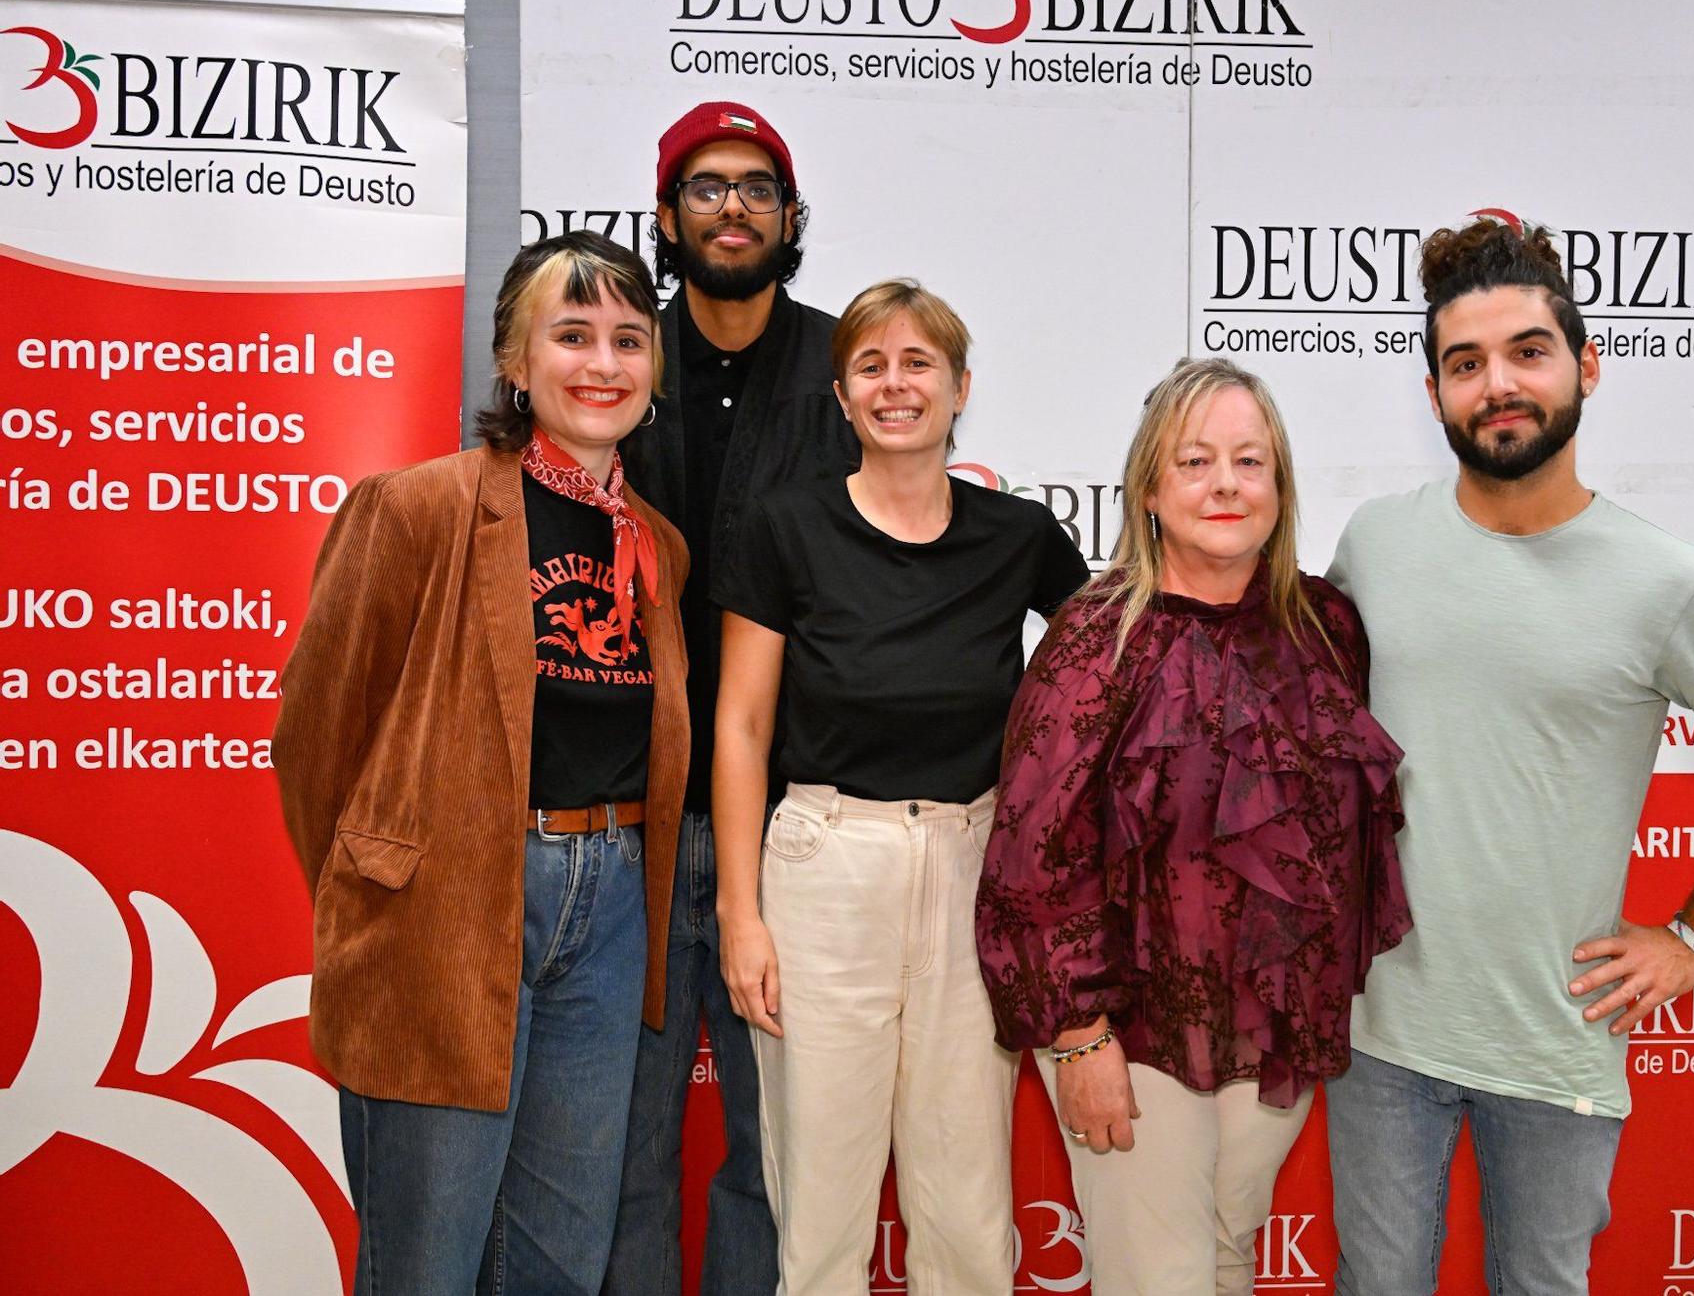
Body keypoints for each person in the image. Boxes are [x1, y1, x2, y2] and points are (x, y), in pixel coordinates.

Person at [1323, 217, 1694, 1295]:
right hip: (1381, 1032)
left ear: (1584, 365)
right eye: (1464, 363)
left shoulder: (1669, 581)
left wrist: (1692, 938)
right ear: (1433, 394)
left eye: (1526, 352)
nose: (1496, 383)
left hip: (1555, 1044)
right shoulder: (1373, 544)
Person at [273, 230, 691, 1293]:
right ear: (514, 358)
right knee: (426, 1262)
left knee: (558, 1259)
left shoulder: (656, 543)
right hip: (445, 908)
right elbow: (318, 735)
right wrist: (381, 888)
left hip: (607, 914)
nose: (602, 363)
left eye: (628, 339)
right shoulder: (416, 507)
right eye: (571, 334)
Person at [976, 357, 1413, 1296]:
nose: (1225, 485)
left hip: (1273, 1024)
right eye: (1196, 462)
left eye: (1249, 463)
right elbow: (1029, 862)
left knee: (1224, 1261)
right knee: (1159, 1280)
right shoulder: (1098, 638)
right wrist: (1079, 1039)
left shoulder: (1328, 626)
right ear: (1149, 489)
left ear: (1281, 486)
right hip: (1131, 1029)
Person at [710, 279, 1089, 1295]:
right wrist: (738, 911)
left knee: (965, 1206)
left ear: (960, 386)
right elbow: (742, 727)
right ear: (841, 398)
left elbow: (1108, 675)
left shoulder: (1018, 535)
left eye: (917, 362)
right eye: (870, 365)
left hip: (973, 871)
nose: (895, 383)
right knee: (822, 1205)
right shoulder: (786, 527)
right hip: (823, 863)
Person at [606, 100, 857, 1296]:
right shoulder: (616, 363)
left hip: (794, 824)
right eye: (706, 186)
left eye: (757, 187)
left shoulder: (847, 371)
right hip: (628, 827)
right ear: (666, 217)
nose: (732, 206)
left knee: (774, 1157)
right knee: (623, 1155)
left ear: (790, 216)